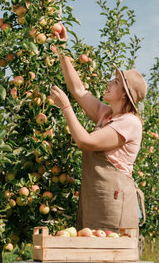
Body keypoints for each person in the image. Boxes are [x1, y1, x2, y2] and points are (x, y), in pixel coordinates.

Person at [49, 24, 146, 233]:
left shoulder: (130, 123)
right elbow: (78, 89)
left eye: (116, 81)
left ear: (124, 95)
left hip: (114, 205)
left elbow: (86, 142)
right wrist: (62, 49)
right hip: (95, 200)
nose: (109, 82)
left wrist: (65, 107)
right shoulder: (107, 114)